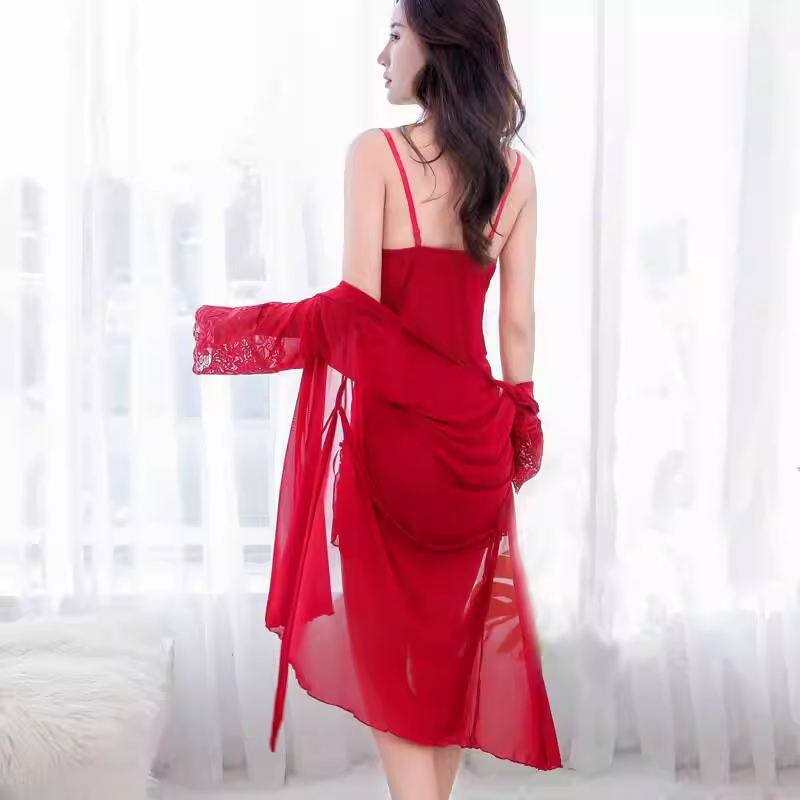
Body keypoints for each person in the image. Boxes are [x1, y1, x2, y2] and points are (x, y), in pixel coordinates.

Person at [192, 0, 562, 796]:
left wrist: (239, 331)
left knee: (392, 662)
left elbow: (355, 314)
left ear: (440, 43)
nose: (382, 54)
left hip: (393, 447)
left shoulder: (377, 155)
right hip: (477, 444)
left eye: (396, 34)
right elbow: (518, 325)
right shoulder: (518, 175)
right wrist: (522, 421)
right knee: (451, 662)